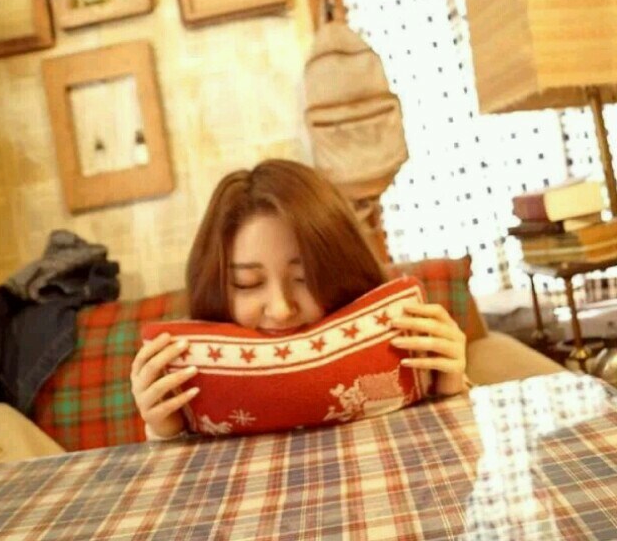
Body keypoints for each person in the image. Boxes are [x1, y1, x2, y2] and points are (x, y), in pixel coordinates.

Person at [131, 159, 467, 440]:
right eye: (248, 283)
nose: (281, 310)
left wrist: (451, 389)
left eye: (304, 278)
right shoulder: (189, 387)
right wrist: (165, 431)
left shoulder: (403, 344)